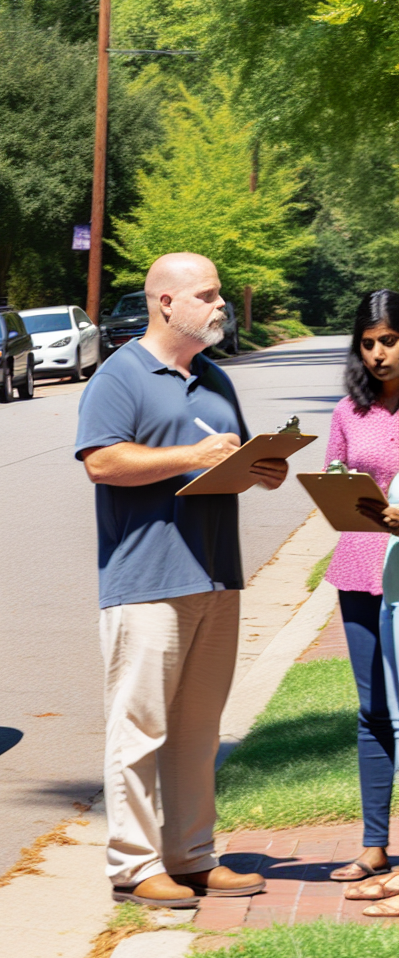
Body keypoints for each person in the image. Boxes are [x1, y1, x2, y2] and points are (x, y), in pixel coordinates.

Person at [75, 252, 288, 907]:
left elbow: (233, 457)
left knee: (199, 731)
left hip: (217, 576)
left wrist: (263, 468)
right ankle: (135, 868)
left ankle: (193, 856)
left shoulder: (217, 379)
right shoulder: (120, 376)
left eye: (219, 293)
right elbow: (103, 461)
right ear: (166, 302)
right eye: (208, 294)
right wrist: (188, 458)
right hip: (146, 582)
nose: (221, 304)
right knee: (139, 731)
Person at [315, 290, 399, 888]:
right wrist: (343, 494)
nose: (377, 354)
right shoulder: (349, 411)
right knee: (372, 711)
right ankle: (374, 845)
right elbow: (334, 478)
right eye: (367, 343)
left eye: (389, 341)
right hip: (358, 569)